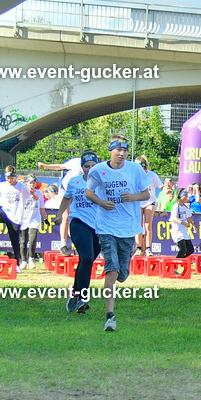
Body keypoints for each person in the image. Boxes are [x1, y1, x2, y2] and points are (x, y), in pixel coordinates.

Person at [84, 135, 151, 332]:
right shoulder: (98, 171)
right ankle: (110, 316)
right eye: (117, 150)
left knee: (121, 274)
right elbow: (89, 192)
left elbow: (146, 194)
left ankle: (120, 273)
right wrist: (101, 202)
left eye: (124, 151)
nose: (121, 154)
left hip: (128, 227)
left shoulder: (135, 169)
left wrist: (133, 197)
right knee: (111, 269)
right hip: (106, 226)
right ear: (110, 151)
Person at [61, 152, 101, 313]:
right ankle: (83, 298)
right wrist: (59, 214)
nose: (90, 169)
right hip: (78, 222)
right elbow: (66, 198)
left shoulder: (103, 182)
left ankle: (76, 292)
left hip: (98, 226)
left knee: (87, 262)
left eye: (93, 166)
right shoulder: (74, 182)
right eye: (86, 166)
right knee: (86, 258)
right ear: (81, 167)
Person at [37, 157, 83, 255]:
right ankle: (63, 244)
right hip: (65, 189)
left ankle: (79, 244)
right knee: (65, 217)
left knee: (78, 217)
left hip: (79, 191)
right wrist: (45, 166)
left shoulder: (95, 170)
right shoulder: (76, 162)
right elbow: (60, 166)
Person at [134, 156, 163, 256]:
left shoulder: (151, 175)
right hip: (138, 201)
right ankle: (138, 247)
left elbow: (161, 186)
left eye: (144, 167)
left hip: (149, 201)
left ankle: (147, 248)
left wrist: (167, 190)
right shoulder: (134, 176)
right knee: (138, 225)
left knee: (148, 225)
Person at [19, 175, 47, 270]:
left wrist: (45, 218)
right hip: (24, 218)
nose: (32, 185)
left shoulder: (39, 193)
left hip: (34, 219)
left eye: (33, 183)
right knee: (23, 241)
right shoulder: (23, 192)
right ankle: (23, 261)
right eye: (30, 183)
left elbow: (41, 207)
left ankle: (31, 258)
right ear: (27, 183)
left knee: (32, 239)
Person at [169, 188, 195, 258]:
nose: (186, 197)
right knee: (182, 249)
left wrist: (194, 226)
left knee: (190, 250)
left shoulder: (184, 207)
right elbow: (174, 218)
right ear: (180, 196)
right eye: (185, 195)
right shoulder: (176, 206)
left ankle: (181, 261)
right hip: (177, 231)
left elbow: (188, 216)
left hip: (184, 232)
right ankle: (175, 264)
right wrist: (184, 223)